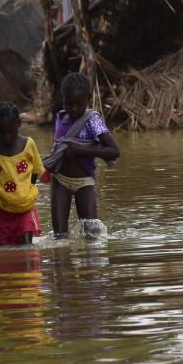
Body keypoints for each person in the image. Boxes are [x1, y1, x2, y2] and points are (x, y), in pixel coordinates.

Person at [44, 72, 120, 240]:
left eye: (79, 104)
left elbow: (114, 151)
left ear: (88, 98)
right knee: (60, 237)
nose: (73, 108)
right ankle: (62, 263)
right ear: (62, 99)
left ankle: (91, 267)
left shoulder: (92, 120)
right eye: (69, 103)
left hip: (84, 182)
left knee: (92, 235)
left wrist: (80, 150)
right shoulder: (60, 118)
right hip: (60, 180)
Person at [0, 102, 45, 246]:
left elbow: (36, 171)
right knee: (5, 248)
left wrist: (26, 189)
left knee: (26, 245)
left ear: (19, 124)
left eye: (11, 131)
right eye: (2, 132)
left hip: (26, 206)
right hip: (1, 207)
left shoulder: (28, 144)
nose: (7, 137)